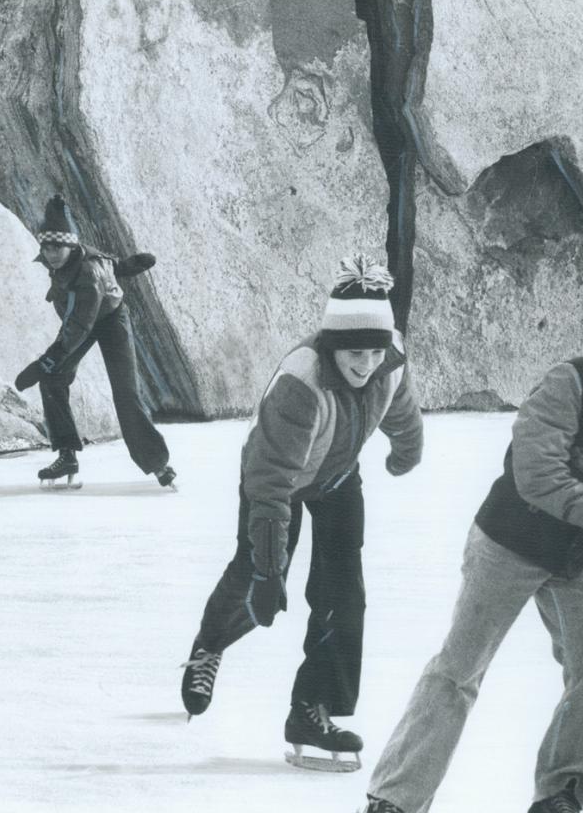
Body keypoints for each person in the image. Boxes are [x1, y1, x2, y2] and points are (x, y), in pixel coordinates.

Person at [360, 266, 583, 813]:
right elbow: (538, 475)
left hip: (571, 555)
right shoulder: (569, 382)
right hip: (510, 541)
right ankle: (394, 799)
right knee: (459, 670)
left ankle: (562, 792)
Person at [179, 253, 423, 772]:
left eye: (374, 353)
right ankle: (209, 645)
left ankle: (311, 709)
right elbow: (269, 485)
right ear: (333, 345)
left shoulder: (388, 358)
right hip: (277, 482)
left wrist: (407, 448)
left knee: (344, 593)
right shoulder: (301, 384)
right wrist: (269, 570)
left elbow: (399, 401)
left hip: (336, 474)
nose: (365, 364)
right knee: (253, 583)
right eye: (354, 352)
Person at [13, 194, 174, 489]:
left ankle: (158, 464)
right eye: (46, 247)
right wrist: (125, 266)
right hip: (82, 318)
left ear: (71, 245)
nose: (50, 254)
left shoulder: (87, 273)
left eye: (56, 247)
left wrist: (43, 362)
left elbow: (78, 326)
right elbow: (109, 262)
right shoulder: (72, 258)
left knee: (126, 394)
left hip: (111, 320)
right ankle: (66, 454)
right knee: (53, 379)